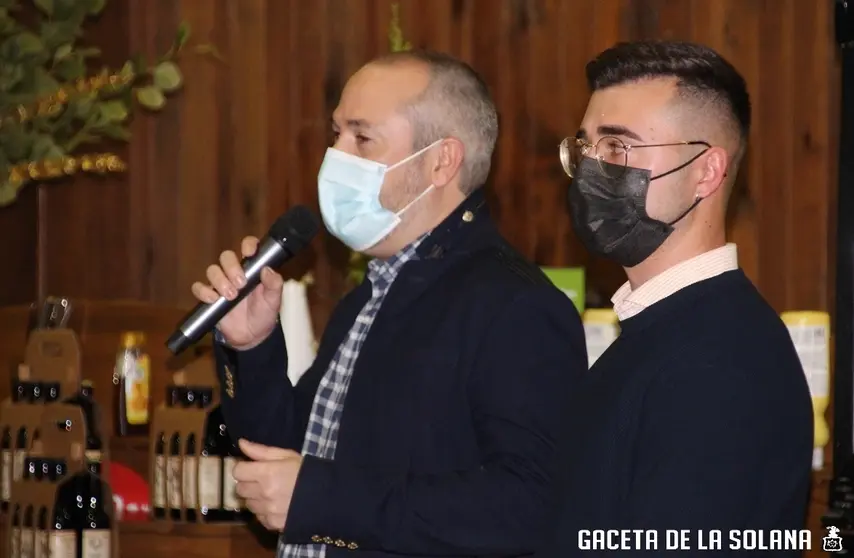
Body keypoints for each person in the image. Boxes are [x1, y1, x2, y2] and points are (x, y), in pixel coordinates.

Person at [191, 49, 586, 558]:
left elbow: (530, 506)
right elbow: (289, 460)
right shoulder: (369, 296)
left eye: (362, 137)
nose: (336, 157)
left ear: (441, 161)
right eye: (335, 135)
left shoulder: (514, 305)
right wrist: (252, 346)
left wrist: (323, 499)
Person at [537, 41, 813, 557]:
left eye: (618, 148)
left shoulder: (721, 363)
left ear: (706, 171)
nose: (593, 168)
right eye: (586, 147)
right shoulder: (656, 334)